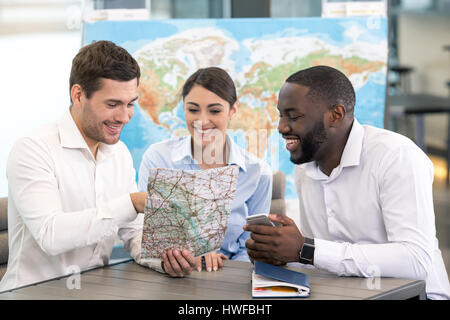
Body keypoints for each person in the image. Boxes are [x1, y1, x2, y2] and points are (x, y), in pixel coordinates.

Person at [0, 40, 196, 292]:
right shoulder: (33, 149)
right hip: (34, 293)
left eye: (130, 104)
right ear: (78, 95)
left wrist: (164, 260)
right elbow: (51, 235)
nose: (124, 117)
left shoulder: (119, 154)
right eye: (112, 104)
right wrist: (133, 202)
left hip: (97, 291)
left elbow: (134, 233)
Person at [244, 65, 450, 300]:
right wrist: (282, 256)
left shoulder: (396, 156)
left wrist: (306, 250)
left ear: (336, 115)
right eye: (281, 114)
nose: (281, 127)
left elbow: (416, 259)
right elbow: (322, 261)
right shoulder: (306, 168)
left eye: (294, 116)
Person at [138, 67, 273, 274]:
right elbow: (145, 235)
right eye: (193, 110)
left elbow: (253, 247)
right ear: (183, 108)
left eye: (215, 110)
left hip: (230, 280)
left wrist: (227, 271)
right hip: (168, 276)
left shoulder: (258, 172)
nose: (202, 120)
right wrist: (188, 252)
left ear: (233, 111)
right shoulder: (158, 158)